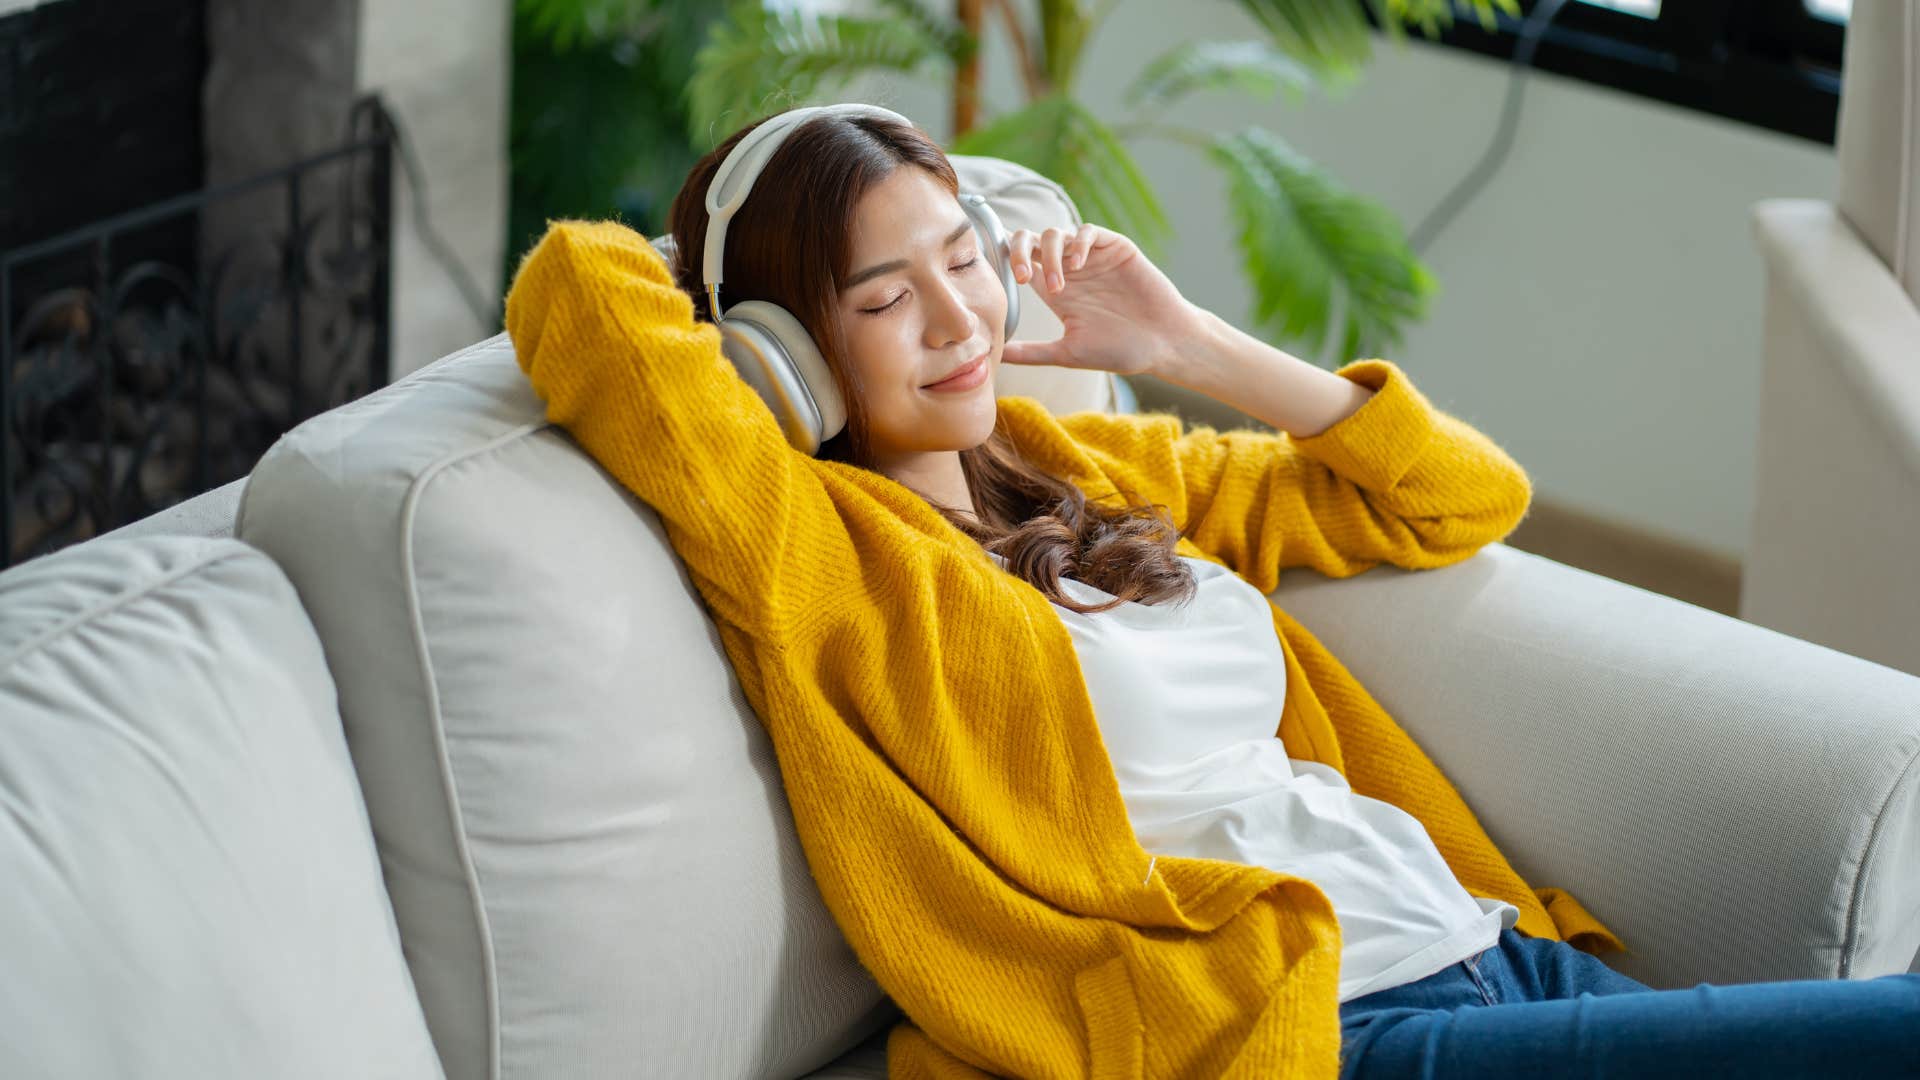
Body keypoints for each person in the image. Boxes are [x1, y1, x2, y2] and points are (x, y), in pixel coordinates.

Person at [503, 103, 1920, 1079]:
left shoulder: (1087, 462)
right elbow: (578, 288)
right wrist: (733, 320)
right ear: (783, 341)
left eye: (964, 260)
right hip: (1310, 1034)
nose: (957, 322)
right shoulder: (824, 555)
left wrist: (1187, 340)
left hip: (1491, 951)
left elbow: (1457, 497)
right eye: (884, 300)